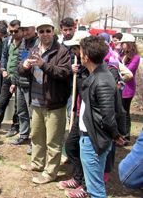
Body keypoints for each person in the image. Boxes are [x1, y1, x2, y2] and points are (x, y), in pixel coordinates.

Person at [19, 17, 71, 184]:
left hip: (54, 103)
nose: (45, 34)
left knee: (53, 141)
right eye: (41, 31)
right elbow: (21, 70)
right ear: (37, 33)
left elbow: (64, 73)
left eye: (48, 30)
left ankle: (50, 172)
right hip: (35, 101)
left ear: (53, 31)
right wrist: (25, 66)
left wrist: (43, 65)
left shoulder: (61, 51)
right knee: (36, 136)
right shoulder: (34, 49)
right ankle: (37, 163)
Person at [77, 36, 124, 198]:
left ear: (86, 57)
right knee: (93, 185)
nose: (79, 55)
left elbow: (108, 115)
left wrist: (115, 135)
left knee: (96, 189)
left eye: (81, 52)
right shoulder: (97, 73)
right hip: (90, 137)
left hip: (93, 140)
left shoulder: (102, 80)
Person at [57, 31, 90, 198]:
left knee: (85, 151)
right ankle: (77, 178)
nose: (74, 53)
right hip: (79, 111)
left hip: (90, 117)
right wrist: (73, 72)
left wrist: (81, 75)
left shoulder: (95, 67)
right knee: (70, 145)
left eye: (76, 49)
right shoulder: (81, 66)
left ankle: (86, 186)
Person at [0, 20, 23, 136]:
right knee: (1, 102)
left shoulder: (25, 44)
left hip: (19, 79)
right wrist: (3, 69)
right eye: (10, 31)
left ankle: (15, 127)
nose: (13, 33)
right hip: (7, 77)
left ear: (21, 30)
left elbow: (23, 62)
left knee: (18, 105)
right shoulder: (8, 41)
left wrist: (16, 80)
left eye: (15, 31)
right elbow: (4, 56)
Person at [119, 33, 140, 144]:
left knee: (125, 112)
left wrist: (119, 65)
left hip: (128, 88)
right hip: (121, 86)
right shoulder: (123, 55)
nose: (122, 45)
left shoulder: (135, 58)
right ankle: (121, 134)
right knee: (120, 111)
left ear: (129, 44)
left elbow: (129, 71)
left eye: (123, 43)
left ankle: (126, 136)